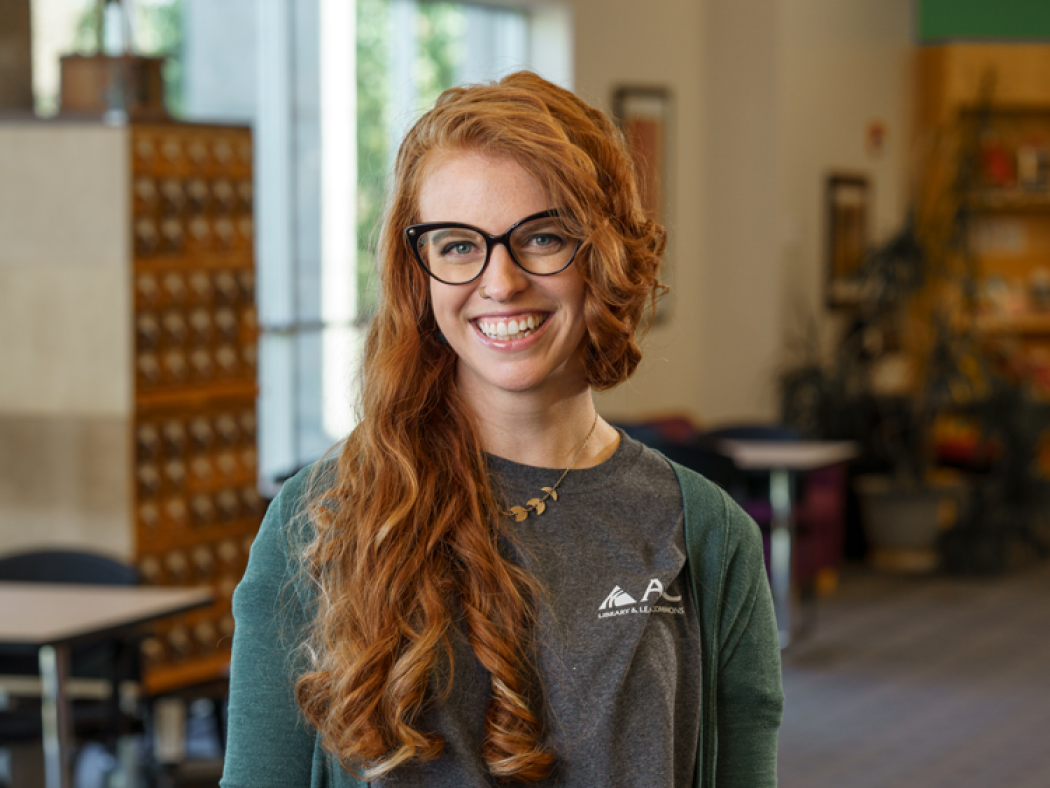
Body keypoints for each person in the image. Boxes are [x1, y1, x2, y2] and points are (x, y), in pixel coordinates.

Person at [220, 71, 782, 788]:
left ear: (604, 254)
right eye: (458, 245)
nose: (501, 281)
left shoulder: (706, 536)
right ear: (417, 273)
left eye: (541, 237)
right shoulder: (321, 520)